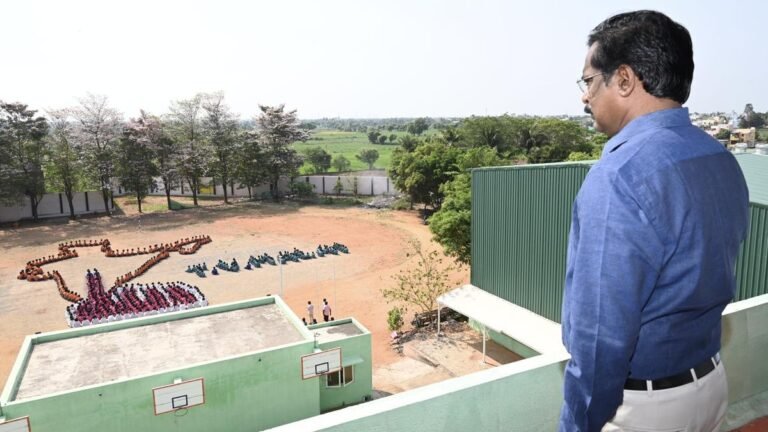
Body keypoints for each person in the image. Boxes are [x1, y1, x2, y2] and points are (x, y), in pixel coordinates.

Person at [561, 10, 749, 432]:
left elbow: (600, 339)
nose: (584, 97)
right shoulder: (717, 157)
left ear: (624, 80)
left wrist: (578, 423)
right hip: (711, 385)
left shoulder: (618, 176)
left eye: (589, 81)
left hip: (643, 410)